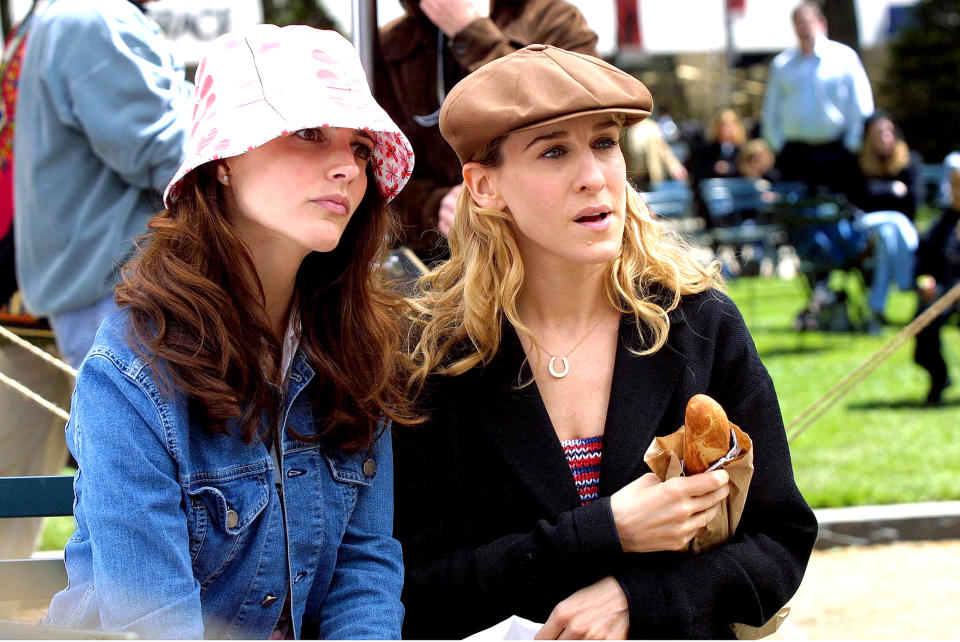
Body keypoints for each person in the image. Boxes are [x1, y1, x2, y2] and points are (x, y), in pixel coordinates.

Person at [396, 44, 818, 639]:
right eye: (553, 152)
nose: (593, 177)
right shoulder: (430, 357)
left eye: (604, 143)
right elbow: (410, 589)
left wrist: (637, 600)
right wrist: (605, 530)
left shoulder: (698, 323)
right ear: (484, 187)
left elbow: (780, 541)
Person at [42, 25, 417, 638]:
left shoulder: (355, 343)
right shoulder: (132, 370)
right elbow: (151, 620)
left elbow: (365, 566)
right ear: (222, 162)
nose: (346, 167)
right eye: (308, 133)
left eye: (359, 148)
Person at [14, 0, 193, 369]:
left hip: (107, 290)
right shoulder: (94, 14)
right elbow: (169, 154)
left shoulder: (77, 13)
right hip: (117, 294)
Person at [374, 0, 598, 261]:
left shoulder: (554, 19)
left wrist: (471, 33)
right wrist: (435, 206)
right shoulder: (390, 45)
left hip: (556, 242)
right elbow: (377, 171)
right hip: (441, 259)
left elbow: (584, 118)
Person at [762, 1, 874, 193]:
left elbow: (861, 104)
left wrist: (851, 144)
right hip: (794, 154)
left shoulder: (844, 58)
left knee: (836, 212)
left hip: (835, 151)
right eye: (798, 23)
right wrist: (777, 143)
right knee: (797, 215)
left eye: (807, 22)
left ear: (822, 23)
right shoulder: (782, 64)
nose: (803, 28)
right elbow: (771, 109)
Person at [842, 112, 920, 327]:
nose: (885, 137)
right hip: (864, 232)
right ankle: (905, 280)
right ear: (867, 137)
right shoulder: (858, 163)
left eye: (889, 132)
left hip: (892, 236)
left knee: (888, 233)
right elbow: (858, 199)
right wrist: (892, 190)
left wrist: (879, 192)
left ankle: (875, 310)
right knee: (892, 221)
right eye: (878, 133)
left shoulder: (909, 161)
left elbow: (913, 201)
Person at [914, 166, 960, 405]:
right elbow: (922, 261)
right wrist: (925, 281)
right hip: (945, 293)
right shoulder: (943, 224)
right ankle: (939, 376)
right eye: (957, 185)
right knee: (924, 321)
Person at [692, 108, 746, 181]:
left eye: (731, 125)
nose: (728, 129)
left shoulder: (743, 149)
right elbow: (698, 171)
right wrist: (714, 168)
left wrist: (731, 168)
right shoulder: (706, 149)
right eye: (724, 125)